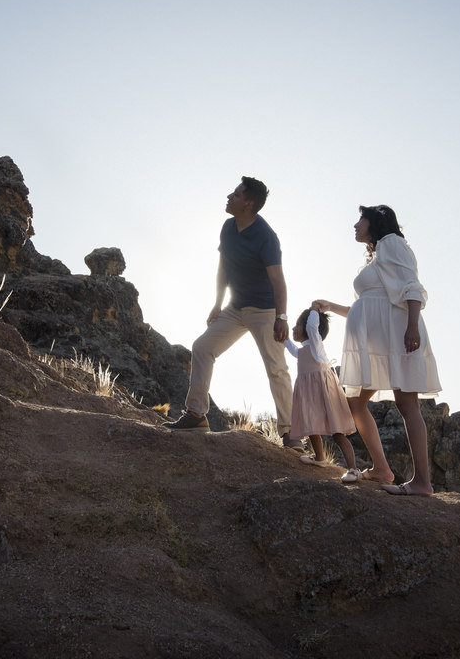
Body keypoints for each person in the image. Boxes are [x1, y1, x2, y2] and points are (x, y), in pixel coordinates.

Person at [313, 205, 441, 495]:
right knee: (356, 403)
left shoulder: (393, 244)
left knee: (407, 404)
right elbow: (366, 306)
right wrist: (330, 306)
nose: (355, 225)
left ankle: (422, 482)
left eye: (360, 219)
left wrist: (412, 327)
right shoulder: (377, 256)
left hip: (397, 336)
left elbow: (413, 288)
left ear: (375, 222)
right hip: (377, 342)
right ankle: (382, 469)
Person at [166, 177, 300, 449]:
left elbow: (278, 280)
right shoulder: (228, 228)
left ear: (249, 203)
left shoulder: (266, 236)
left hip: (264, 311)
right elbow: (223, 268)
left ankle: (291, 433)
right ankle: (196, 415)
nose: (229, 196)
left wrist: (281, 317)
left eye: (236, 194)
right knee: (202, 347)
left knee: (277, 370)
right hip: (235, 307)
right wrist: (217, 303)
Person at [284, 307, 360, 483]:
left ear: (309, 329)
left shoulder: (316, 345)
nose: (294, 328)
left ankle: (353, 469)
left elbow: (312, 326)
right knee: (310, 424)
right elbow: (294, 351)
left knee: (337, 432)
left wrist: (314, 309)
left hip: (324, 393)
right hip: (310, 393)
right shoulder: (304, 349)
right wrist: (284, 337)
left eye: (297, 325)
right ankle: (319, 458)